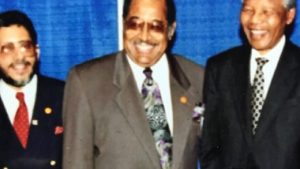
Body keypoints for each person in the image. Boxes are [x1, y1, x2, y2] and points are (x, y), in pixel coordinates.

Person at [62, 0, 204, 168]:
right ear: (123, 24)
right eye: (134, 24)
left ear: (171, 30)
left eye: (156, 26)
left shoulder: (197, 78)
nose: (144, 36)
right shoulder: (86, 82)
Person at [200, 0, 300, 168]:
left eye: (266, 12)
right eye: (248, 10)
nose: (254, 20)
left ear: (289, 15)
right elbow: (209, 143)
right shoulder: (220, 68)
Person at [0, 10, 64, 169]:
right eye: (7, 49)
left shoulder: (65, 94)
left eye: (25, 47)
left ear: (37, 51)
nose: (19, 58)